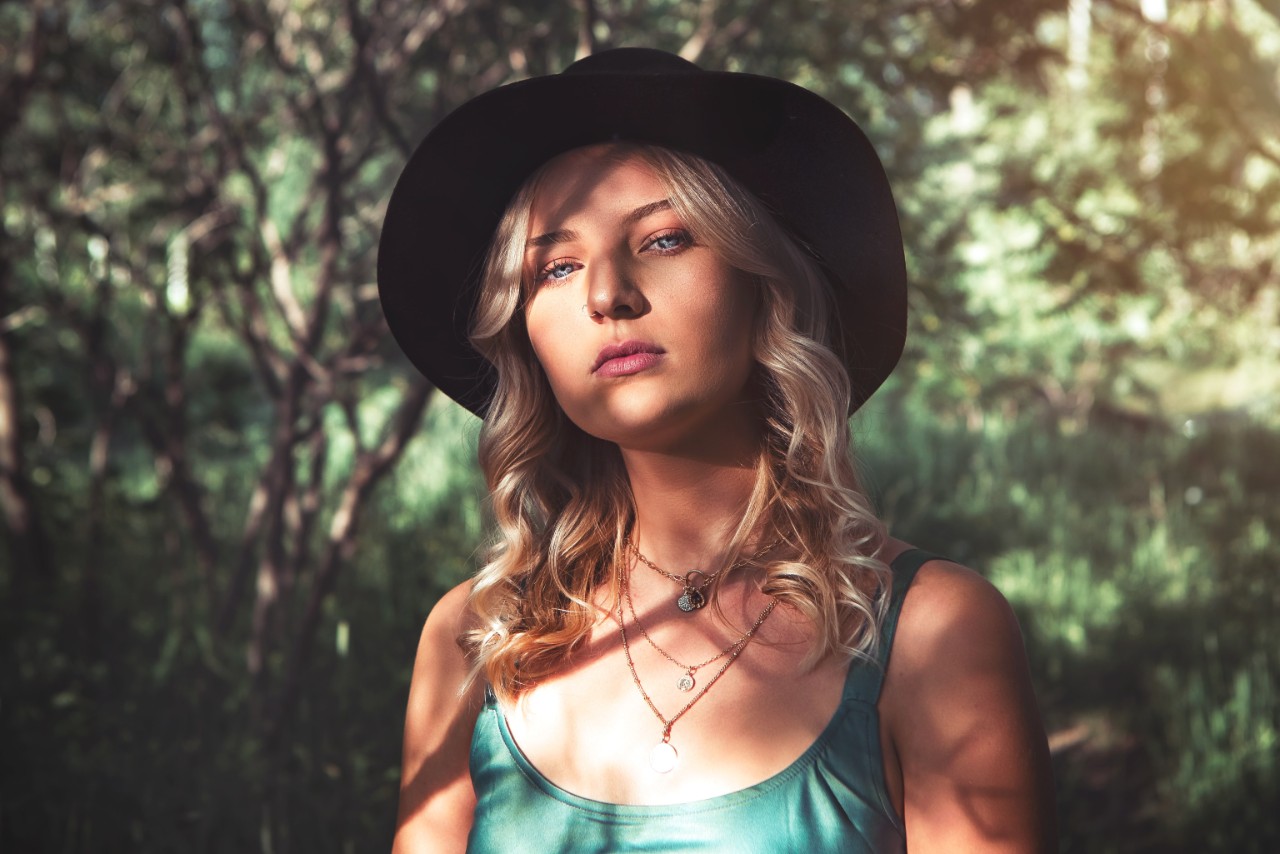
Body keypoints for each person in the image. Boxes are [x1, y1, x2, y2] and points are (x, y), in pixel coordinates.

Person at [378, 48, 1057, 853]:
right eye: (555, 267)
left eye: (664, 240)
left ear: (761, 284)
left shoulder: (931, 631)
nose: (607, 295)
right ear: (523, 332)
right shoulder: (474, 641)